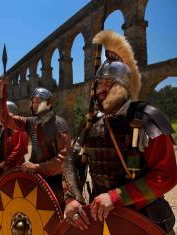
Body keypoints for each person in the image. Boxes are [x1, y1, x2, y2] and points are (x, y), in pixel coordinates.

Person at [63, 30, 177, 234]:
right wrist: (71, 198)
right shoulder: (91, 122)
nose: (102, 90)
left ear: (123, 87)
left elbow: (166, 175)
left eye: (109, 83)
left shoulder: (146, 118)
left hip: (142, 217)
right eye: (99, 84)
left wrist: (117, 197)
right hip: (100, 218)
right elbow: (71, 161)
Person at [0, 83, 71, 209]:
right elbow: (7, 119)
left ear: (48, 103)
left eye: (38, 101)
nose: (34, 104)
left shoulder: (59, 124)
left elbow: (63, 159)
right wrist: (1, 97)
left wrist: (37, 166)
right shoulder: (31, 122)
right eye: (33, 101)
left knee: (53, 216)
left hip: (54, 180)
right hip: (36, 176)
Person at [0, 100, 29, 173]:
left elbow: (17, 153)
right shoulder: (2, 129)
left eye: (1, 113)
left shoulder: (19, 130)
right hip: (2, 171)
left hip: (14, 172)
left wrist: (0, 165)